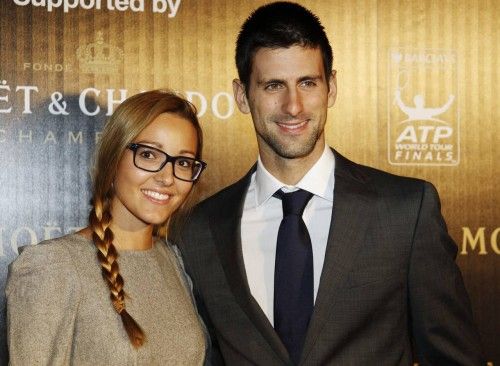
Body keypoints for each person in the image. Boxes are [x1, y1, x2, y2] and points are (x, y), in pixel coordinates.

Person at [177, 2, 485, 365]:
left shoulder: (406, 211)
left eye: (308, 82)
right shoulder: (200, 229)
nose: (293, 106)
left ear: (332, 88)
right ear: (242, 96)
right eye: (273, 85)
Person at [6, 90, 210, 365]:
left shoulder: (172, 259)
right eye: (149, 155)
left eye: (183, 163)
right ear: (113, 159)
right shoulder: (54, 266)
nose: (167, 177)